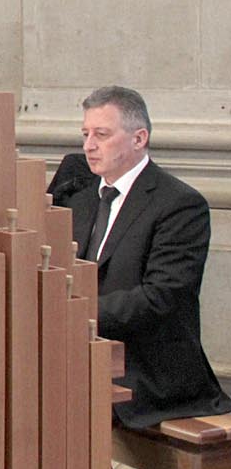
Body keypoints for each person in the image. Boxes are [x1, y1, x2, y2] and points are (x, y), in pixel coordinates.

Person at [68, 87, 230, 449]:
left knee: (64, 409)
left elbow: (161, 298)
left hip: (150, 369)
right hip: (87, 352)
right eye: (85, 134)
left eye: (101, 134)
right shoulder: (80, 200)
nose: (89, 146)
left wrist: (76, 313)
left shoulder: (179, 205)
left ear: (139, 138)